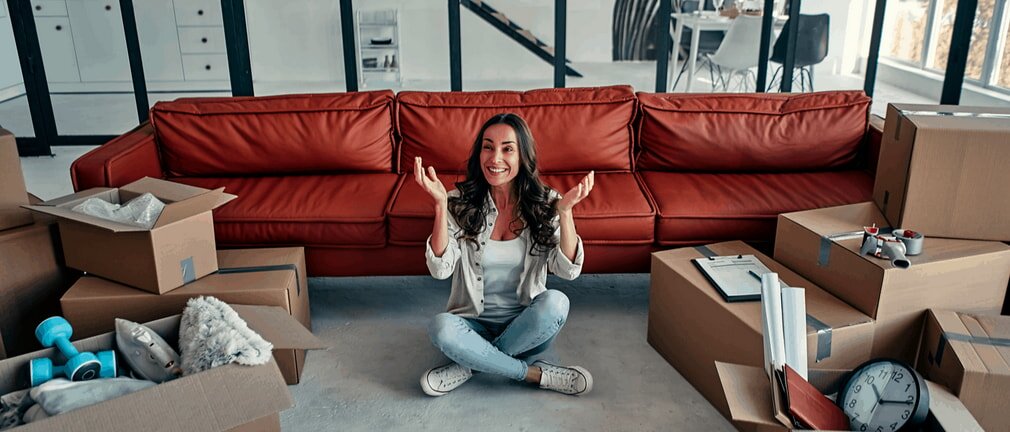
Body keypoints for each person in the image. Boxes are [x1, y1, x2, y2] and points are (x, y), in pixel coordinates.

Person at [415, 113, 595, 397]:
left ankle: (470, 364)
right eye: (488, 147)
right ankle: (532, 374)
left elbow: (568, 270)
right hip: (471, 326)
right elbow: (441, 270)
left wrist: (565, 212)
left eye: (507, 148)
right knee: (441, 327)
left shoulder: (547, 203)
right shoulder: (457, 202)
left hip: (525, 330)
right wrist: (440, 206)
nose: (495, 158)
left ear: (523, 156)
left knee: (557, 302)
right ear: (479, 153)